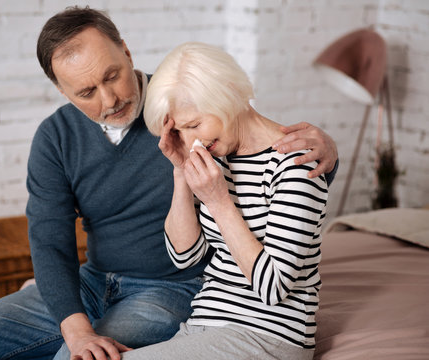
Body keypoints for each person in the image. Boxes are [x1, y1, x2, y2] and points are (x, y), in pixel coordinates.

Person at [0, 7, 337, 360]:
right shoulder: (55, 137)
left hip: (169, 288)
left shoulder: (180, 107)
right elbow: (49, 241)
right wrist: (77, 327)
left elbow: (258, 153)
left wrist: (327, 154)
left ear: (127, 53)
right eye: (86, 92)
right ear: (62, 92)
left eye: (112, 76)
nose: (109, 98)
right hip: (95, 279)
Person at [120, 42, 328, 360]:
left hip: (266, 336)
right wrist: (181, 172)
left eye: (194, 125)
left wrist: (218, 203)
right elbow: (185, 257)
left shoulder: (295, 163)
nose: (192, 141)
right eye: (180, 130)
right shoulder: (218, 158)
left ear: (228, 93)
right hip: (203, 328)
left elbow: (273, 288)